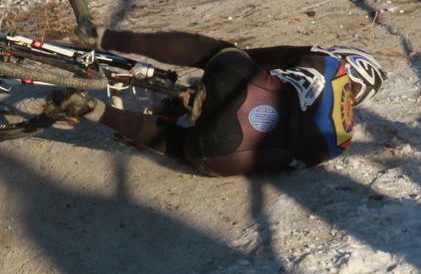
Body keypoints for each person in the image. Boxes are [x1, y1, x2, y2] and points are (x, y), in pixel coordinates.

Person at [42, 20, 386, 176]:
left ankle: (103, 36)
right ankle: (94, 111)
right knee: (184, 146)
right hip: (228, 153)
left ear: (349, 61)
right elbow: (284, 161)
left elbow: (255, 55)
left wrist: (225, 68)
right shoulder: (340, 143)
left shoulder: (331, 65)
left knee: (215, 50)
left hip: (245, 90)